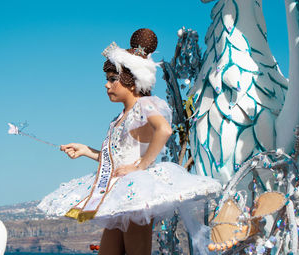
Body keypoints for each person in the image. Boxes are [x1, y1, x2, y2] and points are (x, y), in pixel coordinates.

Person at [38, 28, 222, 255]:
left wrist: (141, 165)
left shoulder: (145, 105)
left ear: (132, 81)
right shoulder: (118, 118)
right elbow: (117, 157)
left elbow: (164, 130)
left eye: (113, 79)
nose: (107, 85)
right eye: (107, 79)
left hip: (136, 192)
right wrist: (86, 150)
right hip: (118, 194)